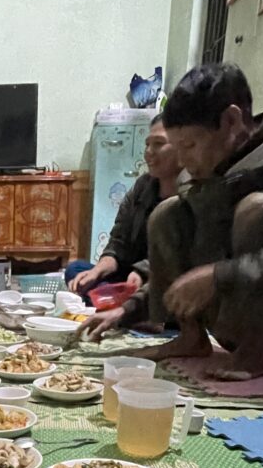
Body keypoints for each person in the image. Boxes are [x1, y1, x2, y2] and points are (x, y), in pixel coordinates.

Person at [132, 62, 263, 380]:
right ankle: (191, 337)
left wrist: (221, 276)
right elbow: (179, 263)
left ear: (232, 120)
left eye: (189, 145)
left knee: (260, 207)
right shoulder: (208, 170)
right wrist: (128, 308)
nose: (183, 159)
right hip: (226, 315)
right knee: (168, 213)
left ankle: (255, 354)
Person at [71, 114, 181, 340]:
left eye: (158, 144)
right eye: (147, 144)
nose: (149, 152)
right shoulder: (142, 187)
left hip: (162, 281)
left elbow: (179, 254)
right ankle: (133, 314)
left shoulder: (192, 191)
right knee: (77, 271)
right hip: (128, 282)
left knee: (175, 292)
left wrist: (141, 273)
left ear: (183, 146)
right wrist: (97, 270)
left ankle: (142, 316)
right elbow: (118, 242)